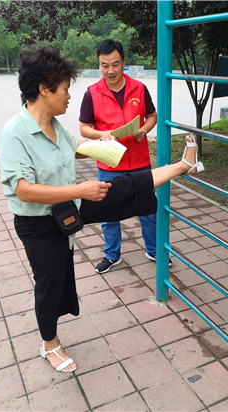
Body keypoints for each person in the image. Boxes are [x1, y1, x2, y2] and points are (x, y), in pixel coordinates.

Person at [0, 46, 202, 373]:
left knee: (122, 189)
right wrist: (80, 190)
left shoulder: (52, 124)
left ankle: (183, 165)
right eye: (65, 89)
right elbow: (23, 189)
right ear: (44, 89)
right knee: (51, 283)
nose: (69, 96)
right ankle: (49, 344)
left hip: (68, 207)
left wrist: (105, 146)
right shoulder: (16, 132)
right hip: (39, 223)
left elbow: (75, 148)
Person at [79, 39, 163, 274]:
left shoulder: (139, 88)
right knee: (108, 213)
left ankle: (154, 250)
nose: (110, 71)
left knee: (148, 210)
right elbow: (84, 127)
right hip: (109, 163)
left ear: (124, 62)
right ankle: (112, 255)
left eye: (115, 64)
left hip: (140, 162)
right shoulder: (92, 92)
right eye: (104, 65)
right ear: (99, 65)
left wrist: (143, 130)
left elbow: (152, 116)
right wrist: (102, 134)